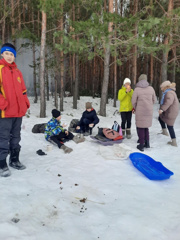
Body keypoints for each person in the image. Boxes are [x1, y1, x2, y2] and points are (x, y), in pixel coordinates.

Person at [0, 43, 30, 177]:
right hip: (5, 112)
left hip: (18, 112)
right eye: (7, 53)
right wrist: (3, 104)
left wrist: (25, 103)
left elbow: (23, 90)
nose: (9, 56)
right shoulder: (0, 69)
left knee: (16, 136)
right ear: (2, 54)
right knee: (3, 137)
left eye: (12, 54)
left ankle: (14, 160)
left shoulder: (18, 72)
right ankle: (2, 163)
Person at [132, 74, 156, 151]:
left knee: (141, 127)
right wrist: (149, 105)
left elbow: (133, 101)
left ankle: (141, 144)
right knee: (146, 126)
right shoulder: (151, 88)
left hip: (140, 110)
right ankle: (147, 143)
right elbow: (154, 100)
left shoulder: (137, 89)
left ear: (139, 80)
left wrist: (136, 107)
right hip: (149, 110)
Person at [158, 81, 179, 147]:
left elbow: (168, 102)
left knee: (170, 126)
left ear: (165, 87)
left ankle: (174, 142)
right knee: (160, 118)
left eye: (162, 88)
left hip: (171, 112)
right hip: (169, 111)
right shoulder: (169, 92)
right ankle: (164, 131)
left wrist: (162, 109)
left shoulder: (169, 93)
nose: (161, 89)